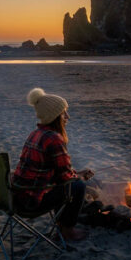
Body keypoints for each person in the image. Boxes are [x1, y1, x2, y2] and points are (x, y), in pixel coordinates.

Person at [12, 87, 93, 241]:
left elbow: (58, 171)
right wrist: (79, 178)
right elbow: (65, 177)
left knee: (69, 184)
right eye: (64, 113)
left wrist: (77, 174)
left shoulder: (36, 133)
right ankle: (67, 230)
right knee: (78, 187)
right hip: (32, 200)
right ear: (55, 116)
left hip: (18, 195)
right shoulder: (53, 138)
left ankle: (61, 227)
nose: (67, 117)